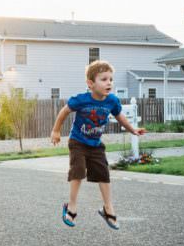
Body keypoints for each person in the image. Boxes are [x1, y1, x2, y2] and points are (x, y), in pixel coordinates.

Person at [50, 60, 145, 229]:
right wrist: (56, 131)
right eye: (104, 79)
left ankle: (108, 208)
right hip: (78, 141)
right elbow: (64, 111)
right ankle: (71, 206)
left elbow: (119, 116)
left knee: (103, 174)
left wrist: (132, 129)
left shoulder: (112, 101)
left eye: (110, 79)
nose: (109, 82)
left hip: (95, 144)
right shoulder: (81, 99)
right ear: (90, 84)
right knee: (78, 171)